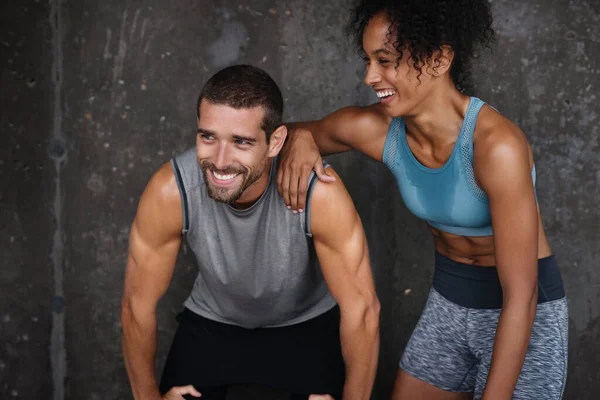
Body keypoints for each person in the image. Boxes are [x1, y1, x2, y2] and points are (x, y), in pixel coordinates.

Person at [277, 1, 568, 399]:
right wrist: (303, 137)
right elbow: (268, 136)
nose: (369, 76)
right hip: (449, 300)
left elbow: (522, 293)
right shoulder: (376, 130)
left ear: (439, 59)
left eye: (385, 60)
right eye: (368, 60)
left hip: (523, 312)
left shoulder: (496, 146)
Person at [121, 65, 380, 400]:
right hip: (213, 322)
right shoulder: (172, 190)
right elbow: (136, 304)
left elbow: (362, 310)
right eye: (208, 137)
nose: (220, 160)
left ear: (275, 142)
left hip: (304, 326)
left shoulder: (320, 193)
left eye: (241, 142)